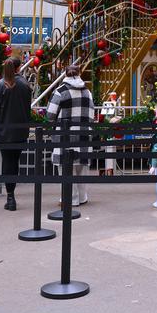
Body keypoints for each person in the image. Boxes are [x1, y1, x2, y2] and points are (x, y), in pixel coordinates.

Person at [0, 57, 32, 211]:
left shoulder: (0, 85)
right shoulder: (25, 84)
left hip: (4, 131)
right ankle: (11, 195)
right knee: (14, 161)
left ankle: (10, 196)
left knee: (8, 162)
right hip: (20, 131)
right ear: (18, 68)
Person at [45, 65, 94, 207]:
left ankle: (70, 199)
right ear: (79, 73)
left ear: (65, 74)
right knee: (81, 168)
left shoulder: (60, 91)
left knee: (66, 168)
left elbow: (50, 115)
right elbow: (91, 114)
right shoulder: (87, 92)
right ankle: (82, 197)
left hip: (65, 135)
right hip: (83, 134)